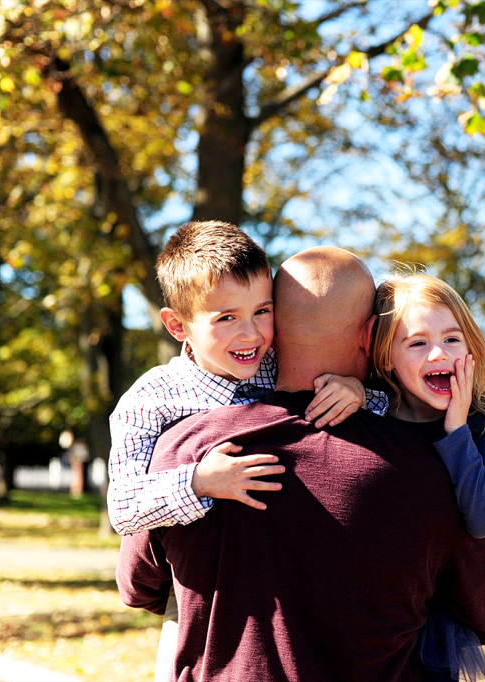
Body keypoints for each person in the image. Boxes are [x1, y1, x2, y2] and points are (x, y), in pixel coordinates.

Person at [116, 246, 485, 682]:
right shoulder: (432, 465)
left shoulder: (183, 448)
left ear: (275, 328)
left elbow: (138, 586)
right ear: (369, 338)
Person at [106, 221, 385, 680]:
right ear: (178, 325)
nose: (251, 334)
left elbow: (376, 412)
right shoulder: (151, 400)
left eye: (262, 311)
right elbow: (123, 507)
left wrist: (357, 390)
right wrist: (198, 480)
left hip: (291, 592)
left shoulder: (279, 364)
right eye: (226, 318)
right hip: (201, 600)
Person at [371, 272, 485, 682]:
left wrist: (457, 431)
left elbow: (483, 517)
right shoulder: (373, 417)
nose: (439, 354)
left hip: (438, 622)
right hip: (378, 608)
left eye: (452, 339)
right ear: (386, 358)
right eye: (417, 343)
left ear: (470, 346)